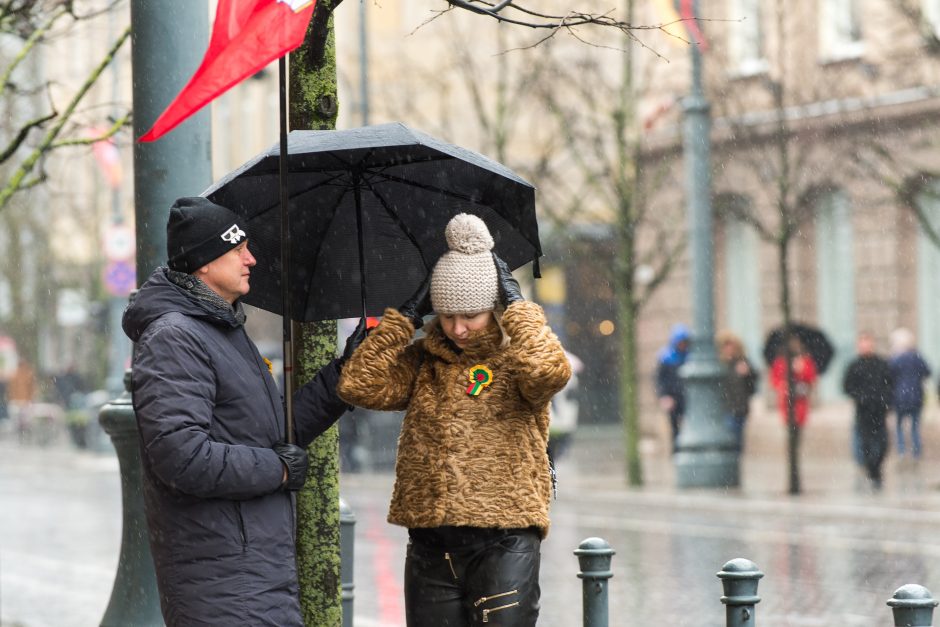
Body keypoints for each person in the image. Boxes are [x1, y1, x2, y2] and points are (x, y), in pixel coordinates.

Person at [122, 197, 364, 627]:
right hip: (223, 582)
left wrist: (346, 375)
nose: (251, 258)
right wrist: (279, 470)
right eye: (237, 249)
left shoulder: (221, 328)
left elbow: (272, 430)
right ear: (204, 263)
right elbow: (182, 456)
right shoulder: (175, 337)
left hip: (254, 574)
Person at [337, 213, 571, 627]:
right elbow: (358, 384)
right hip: (430, 545)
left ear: (493, 308)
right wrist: (404, 318)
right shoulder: (426, 361)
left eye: (471, 315)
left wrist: (517, 307)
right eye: (446, 315)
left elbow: (549, 372)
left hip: (504, 540)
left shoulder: (517, 358)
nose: (458, 328)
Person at [842, 332, 893, 490]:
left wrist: (886, 400)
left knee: (882, 442)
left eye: (868, 342)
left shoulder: (881, 363)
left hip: (879, 409)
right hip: (863, 410)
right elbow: (847, 386)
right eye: (863, 343)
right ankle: (871, 469)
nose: (866, 346)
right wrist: (860, 397)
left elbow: (890, 383)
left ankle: (875, 467)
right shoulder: (854, 365)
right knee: (865, 442)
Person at [888, 327, 931, 466]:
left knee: (900, 426)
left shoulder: (895, 359)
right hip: (916, 396)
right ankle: (916, 452)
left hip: (900, 397)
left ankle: (902, 452)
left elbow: (889, 377)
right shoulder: (917, 358)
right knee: (914, 427)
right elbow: (927, 372)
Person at [717, 331, 758, 452]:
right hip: (725, 408)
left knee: (737, 440)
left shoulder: (743, 362)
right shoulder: (719, 365)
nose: (729, 350)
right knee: (729, 438)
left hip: (740, 408)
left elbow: (752, 388)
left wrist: (748, 374)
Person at [769, 335, 818, 429]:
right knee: (788, 427)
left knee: (798, 427)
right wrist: (782, 384)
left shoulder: (805, 360)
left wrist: (802, 370)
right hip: (786, 399)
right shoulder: (780, 361)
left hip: (800, 399)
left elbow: (811, 379)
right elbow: (774, 379)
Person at [655, 323, 690, 453]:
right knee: (675, 428)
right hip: (673, 399)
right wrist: (664, 396)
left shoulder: (690, 356)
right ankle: (677, 452)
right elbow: (660, 380)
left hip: (688, 398)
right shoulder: (666, 358)